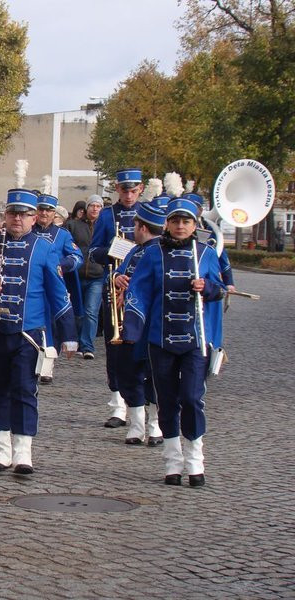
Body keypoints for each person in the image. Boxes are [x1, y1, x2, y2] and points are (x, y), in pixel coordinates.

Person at [0, 187, 77, 474]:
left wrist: (69, 334)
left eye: (24, 214)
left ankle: (23, 450)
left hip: (28, 334)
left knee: (25, 390)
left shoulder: (45, 247)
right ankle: (0, 448)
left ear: (33, 217)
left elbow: (57, 292)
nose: (17, 219)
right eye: (13, 213)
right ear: (6, 214)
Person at [122, 197, 225, 487]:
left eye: (187, 221)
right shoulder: (152, 253)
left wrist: (209, 288)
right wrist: (133, 324)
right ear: (167, 223)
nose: (181, 226)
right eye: (176, 221)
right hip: (160, 337)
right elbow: (138, 291)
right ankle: (172, 460)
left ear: (194, 225)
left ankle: (195, 460)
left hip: (195, 338)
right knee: (166, 401)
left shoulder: (205, 253)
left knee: (192, 398)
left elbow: (219, 288)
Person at [89, 168, 144, 428]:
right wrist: (115, 250)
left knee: (142, 347)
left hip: (143, 286)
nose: (129, 195)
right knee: (115, 348)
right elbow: (94, 251)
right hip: (115, 287)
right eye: (125, 190)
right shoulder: (108, 215)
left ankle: (143, 406)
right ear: (117, 189)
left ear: (140, 189)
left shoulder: (148, 212)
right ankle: (117, 405)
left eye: (134, 190)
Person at [111, 200, 165, 446]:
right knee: (127, 373)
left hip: (152, 322)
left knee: (154, 375)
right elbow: (116, 271)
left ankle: (154, 426)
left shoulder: (162, 253)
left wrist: (132, 288)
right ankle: (136, 425)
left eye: (135, 224)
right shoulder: (133, 250)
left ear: (143, 227)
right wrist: (118, 277)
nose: (133, 228)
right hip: (129, 324)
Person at [33, 194, 84, 383]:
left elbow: (77, 257)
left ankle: (48, 365)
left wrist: (60, 265)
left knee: (52, 325)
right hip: (33, 286)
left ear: (54, 213)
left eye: (48, 210)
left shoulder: (62, 235)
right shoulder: (29, 231)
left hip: (53, 286)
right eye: (41, 209)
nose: (44, 213)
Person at [68, 194, 104, 359]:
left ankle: (87, 345)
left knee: (91, 311)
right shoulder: (74, 225)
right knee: (77, 311)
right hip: (77, 274)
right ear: (86, 208)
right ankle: (76, 342)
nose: (95, 208)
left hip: (97, 275)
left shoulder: (104, 227)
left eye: (98, 206)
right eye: (92, 205)